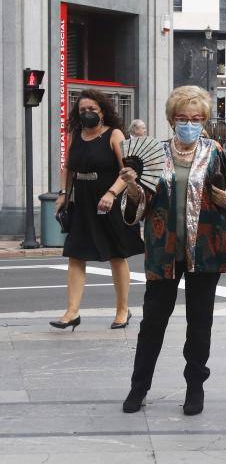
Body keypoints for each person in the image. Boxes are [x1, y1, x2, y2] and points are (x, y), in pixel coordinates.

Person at [119, 85, 226, 415]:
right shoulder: (155, 153)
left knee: (199, 324)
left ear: (204, 120)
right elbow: (139, 207)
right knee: (152, 323)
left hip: (206, 249)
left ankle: (195, 387)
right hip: (163, 249)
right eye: (183, 118)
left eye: (197, 118)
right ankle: (139, 386)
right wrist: (132, 187)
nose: (190, 124)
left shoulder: (214, 151)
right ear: (172, 119)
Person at [51, 90, 144, 331]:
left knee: (116, 254)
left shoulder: (114, 134)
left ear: (103, 111)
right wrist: (63, 194)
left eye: (92, 109)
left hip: (108, 201)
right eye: (82, 110)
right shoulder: (76, 135)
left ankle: (122, 310)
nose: (87, 113)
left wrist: (112, 193)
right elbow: (68, 168)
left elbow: (128, 171)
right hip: (82, 201)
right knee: (76, 254)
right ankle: (72, 311)